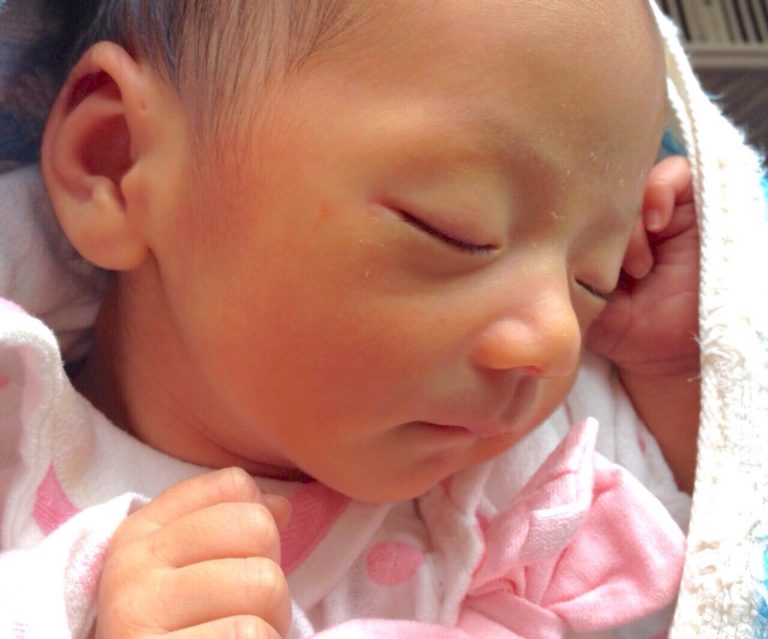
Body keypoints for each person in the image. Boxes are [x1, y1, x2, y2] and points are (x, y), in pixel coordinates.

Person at [0, 1, 700, 637]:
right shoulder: (16, 456)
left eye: (593, 278)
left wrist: (672, 369)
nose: (556, 338)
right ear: (117, 163)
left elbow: (695, 540)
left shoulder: (524, 481)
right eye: (454, 228)